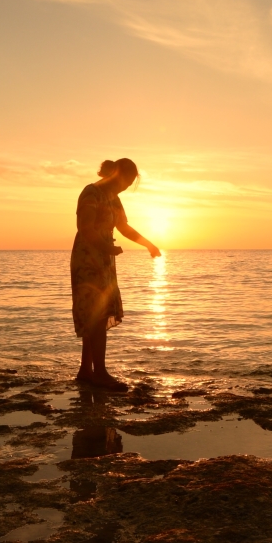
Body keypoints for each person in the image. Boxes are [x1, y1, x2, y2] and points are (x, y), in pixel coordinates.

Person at [70, 157, 160, 390]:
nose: (126, 186)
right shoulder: (91, 193)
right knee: (96, 313)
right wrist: (106, 247)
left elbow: (124, 227)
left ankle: (85, 371)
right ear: (115, 174)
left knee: (96, 314)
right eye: (126, 181)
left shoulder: (114, 199)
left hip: (105, 261)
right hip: (88, 260)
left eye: (130, 183)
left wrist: (148, 244)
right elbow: (85, 228)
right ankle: (99, 373)